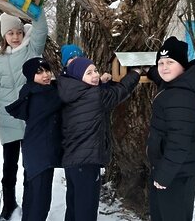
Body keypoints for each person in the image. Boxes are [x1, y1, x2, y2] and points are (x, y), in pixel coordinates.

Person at [0, 11, 48, 220]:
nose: (15, 36)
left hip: (30, 120)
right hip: (8, 120)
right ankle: (8, 206)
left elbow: (41, 29)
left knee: (30, 168)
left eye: (19, 32)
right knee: (8, 168)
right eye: (10, 33)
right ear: (4, 36)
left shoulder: (32, 51)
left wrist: (36, 7)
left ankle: (30, 206)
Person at [57, 57, 141, 221]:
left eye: (95, 70)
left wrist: (101, 83)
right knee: (86, 210)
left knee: (74, 205)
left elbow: (92, 97)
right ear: (78, 77)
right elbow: (119, 92)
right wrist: (136, 73)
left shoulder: (69, 92)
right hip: (87, 162)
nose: (95, 75)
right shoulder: (95, 96)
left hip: (72, 161)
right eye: (89, 73)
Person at [146, 36, 195, 221]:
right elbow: (162, 76)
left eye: (170, 62)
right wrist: (148, 70)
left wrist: (164, 176)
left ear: (182, 65)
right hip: (168, 170)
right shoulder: (176, 84)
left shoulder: (181, 97)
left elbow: (179, 142)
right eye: (161, 62)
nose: (164, 67)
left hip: (176, 175)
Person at [5, 57, 62, 221]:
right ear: (31, 76)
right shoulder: (42, 96)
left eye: (46, 70)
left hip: (34, 151)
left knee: (32, 197)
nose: (45, 75)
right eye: (39, 72)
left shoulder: (31, 91)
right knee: (40, 202)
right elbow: (66, 96)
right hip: (41, 155)